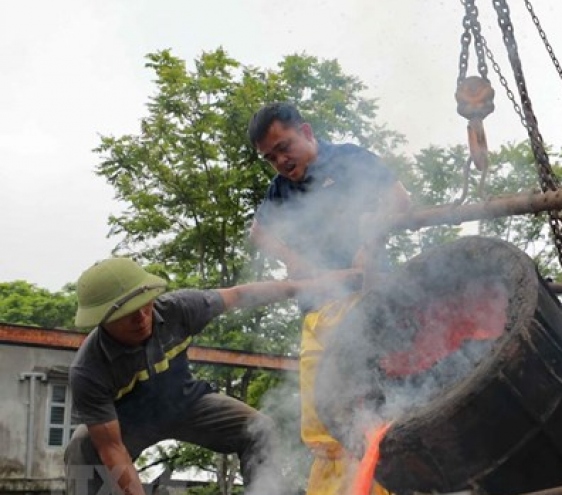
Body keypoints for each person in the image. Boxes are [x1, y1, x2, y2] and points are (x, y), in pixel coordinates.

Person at [64, 257, 357, 495]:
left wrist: (309, 285)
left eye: (145, 307)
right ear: (103, 320)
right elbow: (112, 448)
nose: (141, 319)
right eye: (128, 315)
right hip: (128, 424)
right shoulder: (89, 370)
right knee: (82, 444)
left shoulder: (179, 309)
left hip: (185, 405)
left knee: (260, 429)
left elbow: (240, 294)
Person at [247, 102, 411, 495]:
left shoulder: (349, 158)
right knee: (320, 420)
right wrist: (294, 260)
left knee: (366, 409)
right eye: (270, 157)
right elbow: (258, 231)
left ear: (305, 131)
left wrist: (371, 242)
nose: (280, 160)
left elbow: (400, 200)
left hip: (365, 303)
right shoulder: (280, 189)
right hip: (316, 310)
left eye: (284, 147)